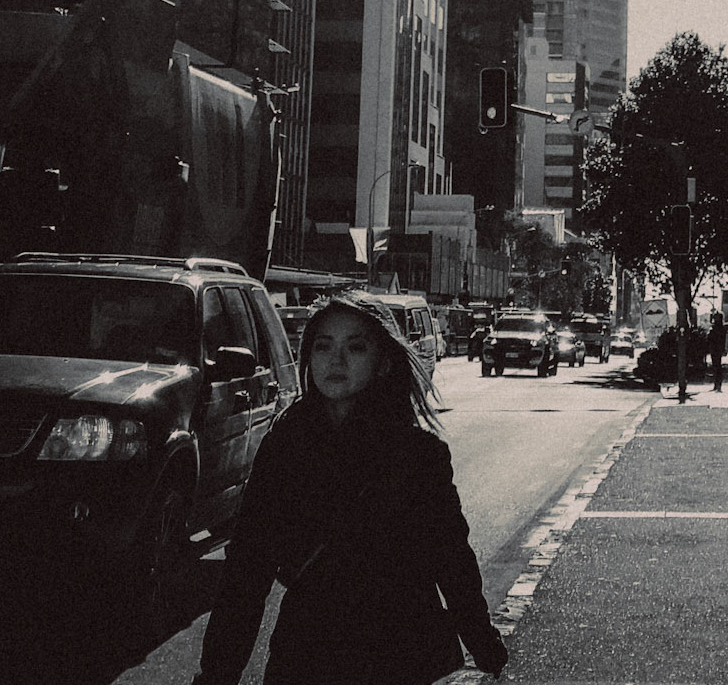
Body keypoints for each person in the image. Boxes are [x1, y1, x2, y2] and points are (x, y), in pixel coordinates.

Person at [191, 291, 509, 685]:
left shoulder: (416, 453)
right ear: (308, 358)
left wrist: (481, 640)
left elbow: (451, 557)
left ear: (383, 363)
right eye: (323, 347)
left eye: (355, 348)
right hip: (307, 653)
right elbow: (247, 569)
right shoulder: (286, 445)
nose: (335, 361)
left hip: (398, 653)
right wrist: (218, 672)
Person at [707, 307, 726, 392]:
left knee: (716, 366)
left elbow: (711, 338)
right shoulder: (721, 327)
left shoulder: (716, 328)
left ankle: (717, 384)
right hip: (717, 348)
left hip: (715, 348)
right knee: (717, 366)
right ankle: (717, 384)